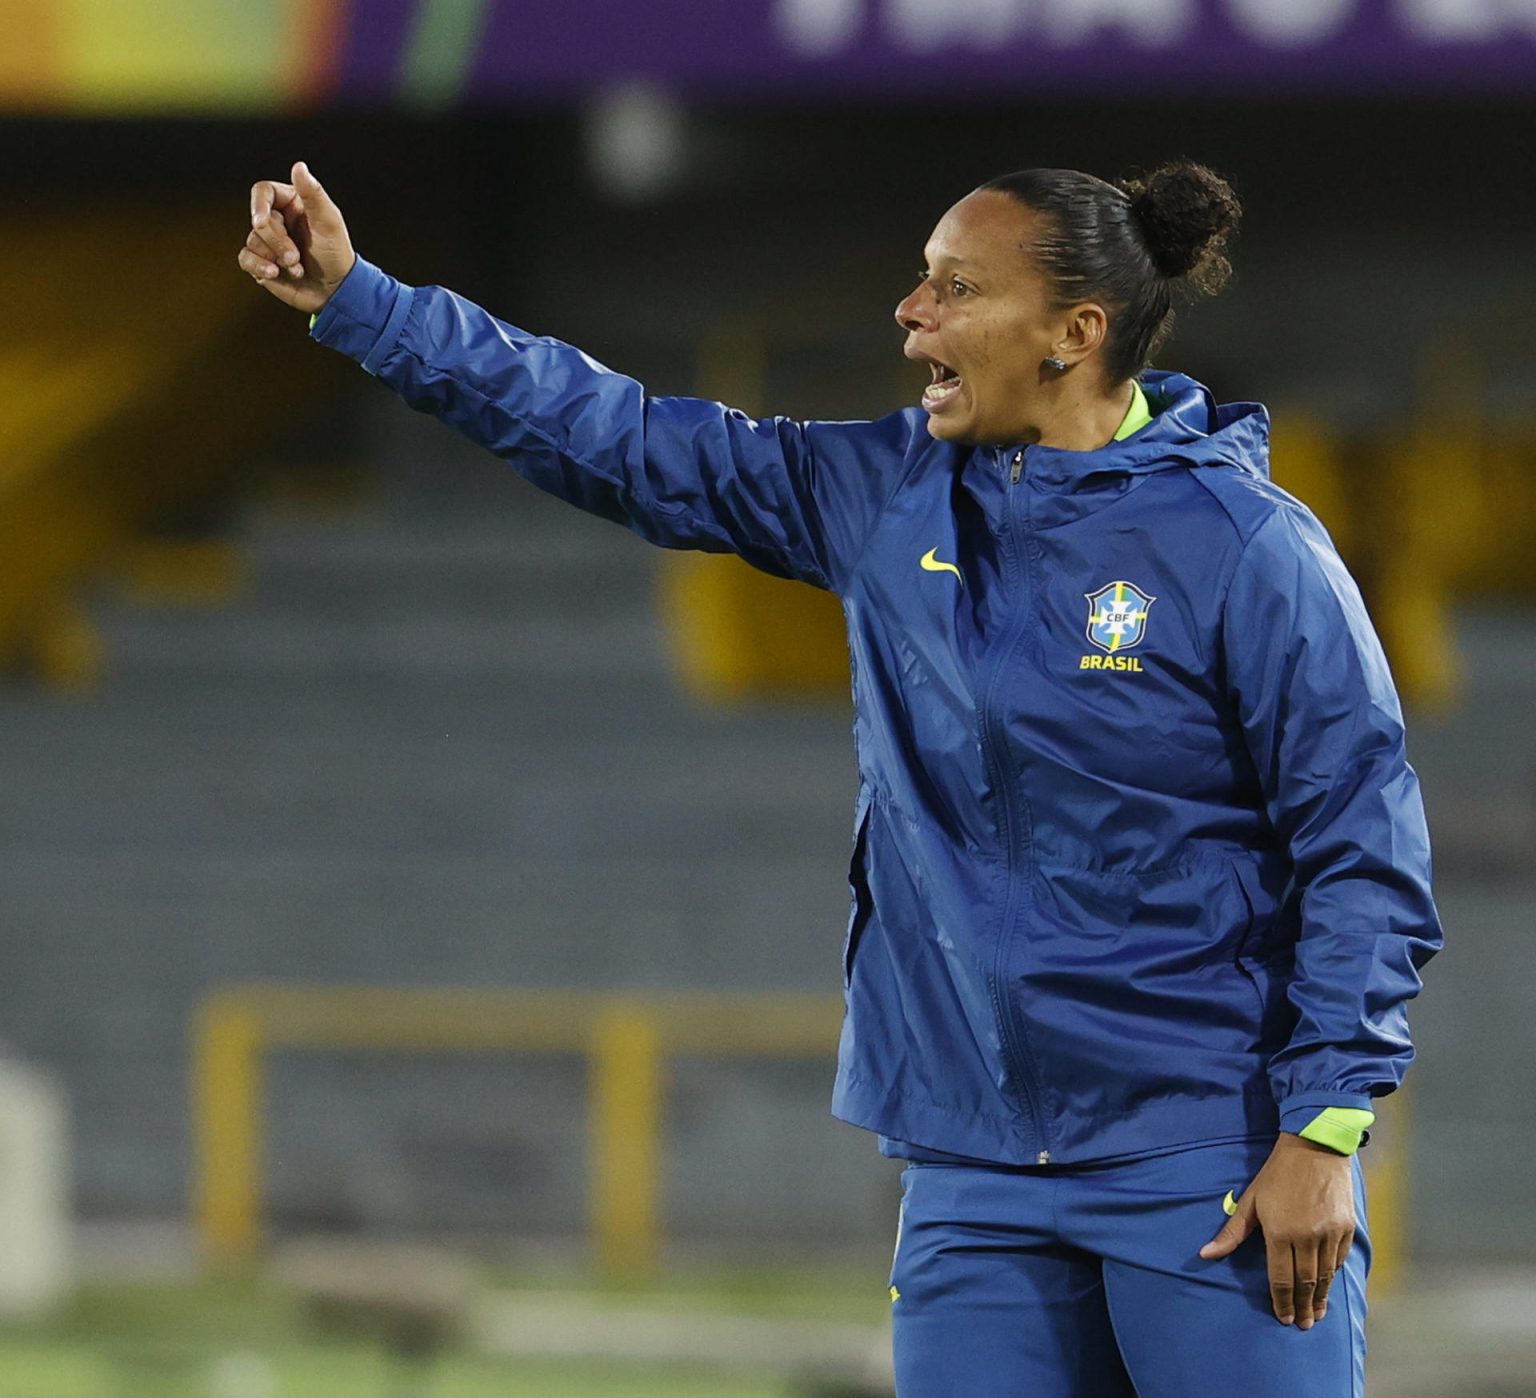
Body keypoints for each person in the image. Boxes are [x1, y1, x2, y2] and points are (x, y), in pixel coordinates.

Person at [238, 158, 1441, 1396]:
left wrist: (1323, 1128)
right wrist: (362, 301)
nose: (911, 314)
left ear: (1073, 335)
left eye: (956, 288)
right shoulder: (884, 493)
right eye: (921, 282)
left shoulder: (1246, 547)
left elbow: (1364, 844)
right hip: (971, 1176)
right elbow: (618, 436)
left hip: (1209, 1163)